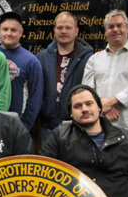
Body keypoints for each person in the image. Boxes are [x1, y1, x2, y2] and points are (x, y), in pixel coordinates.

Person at [82, 9, 128, 161]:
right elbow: (87, 90)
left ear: (127, 28)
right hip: (100, 128)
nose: (115, 29)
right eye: (111, 26)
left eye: (119, 25)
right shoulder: (94, 59)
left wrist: (109, 103)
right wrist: (101, 107)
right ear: (105, 31)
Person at [36, 11, 93, 140]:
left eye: (68, 28)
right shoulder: (41, 58)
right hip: (47, 128)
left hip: (77, 127)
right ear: (54, 30)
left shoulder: (88, 59)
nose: (63, 31)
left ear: (76, 31)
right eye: (60, 27)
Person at [0, 11, 44, 130]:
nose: (9, 33)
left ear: (21, 32)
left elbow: (35, 97)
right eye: (5, 29)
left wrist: (25, 126)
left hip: (18, 124)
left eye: (13, 30)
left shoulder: (31, 61)